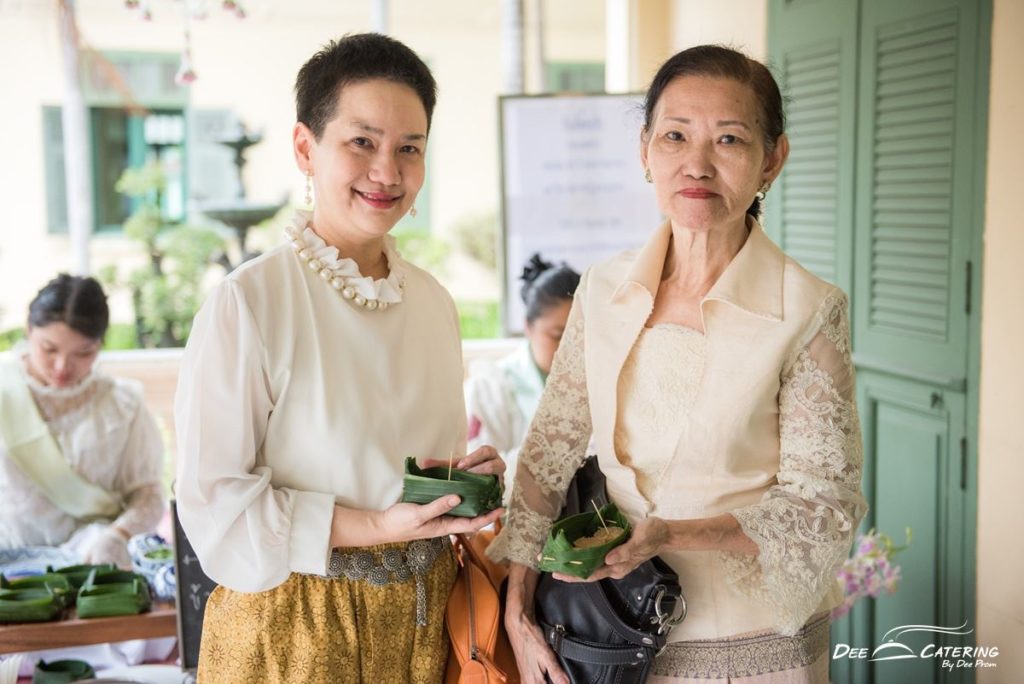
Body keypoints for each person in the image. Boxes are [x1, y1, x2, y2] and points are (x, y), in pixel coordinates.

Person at [488, 45, 868, 684]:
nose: (697, 163)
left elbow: (822, 506)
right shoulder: (602, 288)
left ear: (771, 158)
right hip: (600, 631)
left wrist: (670, 533)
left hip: (747, 643)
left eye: (728, 139)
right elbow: (550, 450)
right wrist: (519, 605)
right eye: (675, 136)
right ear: (645, 151)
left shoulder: (808, 308)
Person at [174, 33, 505, 684]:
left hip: (425, 620)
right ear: (305, 147)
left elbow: (413, 467)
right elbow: (215, 502)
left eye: (409, 148)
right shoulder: (249, 302)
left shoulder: (434, 301)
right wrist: (379, 524)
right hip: (293, 628)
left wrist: (466, 484)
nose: (388, 171)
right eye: (362, 142)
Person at [0, 274, 165, 569]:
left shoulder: (121, 405)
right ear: (28, 330)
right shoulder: (5, 390)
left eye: (83, 353)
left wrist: (118, 534)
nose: (62, 367)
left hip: (92, 568)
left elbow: (149, 493)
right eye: (49, 349)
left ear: (100, 345)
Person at [464, 253, 580, 497]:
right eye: (557, 335)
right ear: (528, 326)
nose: (570, 347)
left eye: (580, 335)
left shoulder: (603, 382)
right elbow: (477, 479)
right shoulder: (491, 386)